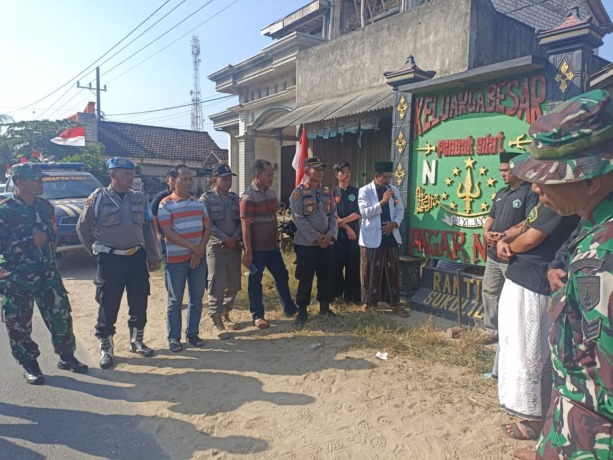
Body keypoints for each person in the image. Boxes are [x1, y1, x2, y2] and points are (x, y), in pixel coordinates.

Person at [508, 89, 613, 460]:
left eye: (547, 177)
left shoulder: (604, 256)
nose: (535, 187)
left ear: (590, 181)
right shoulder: (593, 224)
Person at [495, 202, 579, 440]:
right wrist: (504, 237)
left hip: (535, 280)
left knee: (532, 354)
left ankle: (537, 419)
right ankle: (530, 412)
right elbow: (528, 223)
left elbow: (531, 238)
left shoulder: (559, 201)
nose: (535, 189)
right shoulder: (548, 199)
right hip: (524, 275)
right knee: (517, 348)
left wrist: (507, 245)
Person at [0, 163, 88, 384]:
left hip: (48, 273)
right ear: (20, 182)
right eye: (36, 179)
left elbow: (51, 236)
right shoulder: (4, 211)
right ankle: (29, 364)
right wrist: (30, 242)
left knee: (61, 316)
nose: (41, 182)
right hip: (17, 276)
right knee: (19, 323)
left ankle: (66, 357)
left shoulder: (46, 207)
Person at [77, 157, 161, 369]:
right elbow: (83, 228)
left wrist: (153, 254)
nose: (130, 178)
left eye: (131, 174)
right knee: (108, 302)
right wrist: (95, 251)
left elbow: (148, 229)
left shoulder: (139, 198)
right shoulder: (97, 198)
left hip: (136, 257)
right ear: (112, 175)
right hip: (110, 259)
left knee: (139, 299)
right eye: (125, 174)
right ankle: (106, 345)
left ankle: (137, 339)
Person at [481, 153, 538, 344]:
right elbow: (491, 216)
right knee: (489, 291)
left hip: (511, 254)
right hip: (493, 254)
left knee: (514, 297)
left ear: (517, 170)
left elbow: (530, 221)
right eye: (501, 171)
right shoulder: (502, 193)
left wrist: (505, 235)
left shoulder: (529, 192)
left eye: (506, 170)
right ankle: (491, 331)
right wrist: (487, 232)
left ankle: (513, 335)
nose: (503, 174)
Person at [158, 165, 210, 351]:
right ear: (173, 180)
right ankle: (173, 338)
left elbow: (207, 229)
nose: (189, 182)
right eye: (184, 179)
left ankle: (192, 333)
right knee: (175, 301)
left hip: (198, 259)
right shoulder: (165, 204)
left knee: (197, 297)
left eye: (190, 179)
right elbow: (167, 232)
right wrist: (193, 248)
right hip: (176, 261)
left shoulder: (199, 203)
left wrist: (198, 251)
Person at [240, 159, 298, 329]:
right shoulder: (248, 197)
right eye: (268, 175)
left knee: (282, 275)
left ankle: (288, 307)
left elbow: (273, 219)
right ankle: (258, 315)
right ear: (257, 175)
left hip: (272, 247)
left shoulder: (271, 193)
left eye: (273, 175)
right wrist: (248, 251)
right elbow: (245, 226)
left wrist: (276, 239)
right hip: (256, 250)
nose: (271, 178)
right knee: (255, 280)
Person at [289, 157, 339, 328]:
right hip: (307, 244)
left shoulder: (327, 192)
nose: (319, 172)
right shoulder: (298, 193)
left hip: (327, 244)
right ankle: (302, 310)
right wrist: (317, 237)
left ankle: (324, 306)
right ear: (306, 171)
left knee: (326, 275)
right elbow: (299, 219)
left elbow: (333, 215)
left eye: (321, 169)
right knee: (305, 277)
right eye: (315, 169)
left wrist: (330, 236)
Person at [358, 161, 409, 317]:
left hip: (390, 236)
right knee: (370, 270)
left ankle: (395, 304)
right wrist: (382, 202)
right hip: (372, 238)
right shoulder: (365, 191)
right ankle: (367, 302)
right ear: (376, 176)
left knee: (392, 270)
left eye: (390, 177)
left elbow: (400, 210)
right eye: (385, 177)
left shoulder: (393, 190)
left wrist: (395, 223)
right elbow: (364, 212)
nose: (388, 180)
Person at [201, 164, 242, 339]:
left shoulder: (234, 198)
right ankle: (216, 318)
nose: (227, 181)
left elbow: (242, 221)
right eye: (224, 178)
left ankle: (226, 312)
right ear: (214, 179)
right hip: (216, 247)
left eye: (229, 178)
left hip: (234, 246)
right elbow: (207, 224)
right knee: (217, 282)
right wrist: (226, 238)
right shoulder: (206, 199)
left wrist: (235, 238)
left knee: (234, 283)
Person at [332, 160, 361, 304]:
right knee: (337, 264)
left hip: (354, 235)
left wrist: (346, 224)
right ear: (337, 175)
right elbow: (331, 214)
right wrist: (346, 227)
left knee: (353, 264)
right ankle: (337, 293)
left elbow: (358, 212)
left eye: (348, 171)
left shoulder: (357, 192)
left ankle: (353, 296)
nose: (346, 174)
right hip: (338, 233)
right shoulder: (332, 192)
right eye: (342, 172)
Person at [151, 169, 175, 257]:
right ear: (167, 181)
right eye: (173, 179)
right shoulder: (160, 198)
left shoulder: (190, 196)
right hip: (167, 239)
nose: (175, 182)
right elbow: (154, 218)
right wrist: (160, 235)